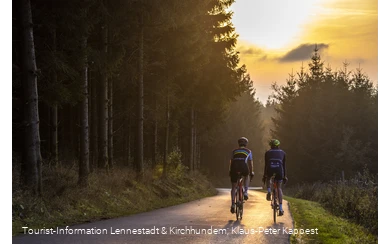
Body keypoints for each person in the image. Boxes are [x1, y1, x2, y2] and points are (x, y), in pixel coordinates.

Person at [229, 137, 255, 214]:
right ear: (246, 144)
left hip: (234, 168)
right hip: (244, 167)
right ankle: (246, 192)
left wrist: (230, 171)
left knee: (234, 187)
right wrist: (251, 172)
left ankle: (233, 204)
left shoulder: (234, 151)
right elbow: (250, 163)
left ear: (239, 143)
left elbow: (231, 162)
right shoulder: (249, 151)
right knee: (246, 176)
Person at [262, 139, 288, 216]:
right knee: (279, 188)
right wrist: (284, 176)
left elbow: (266, 165)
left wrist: (264, 176)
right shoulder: (283, 153)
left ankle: (269, 191)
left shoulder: (267, 153)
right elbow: (284, 166)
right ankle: (280, 208)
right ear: (278, 145)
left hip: (270, 168)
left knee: (268, 178)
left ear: (271, 146)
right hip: (279, 170)